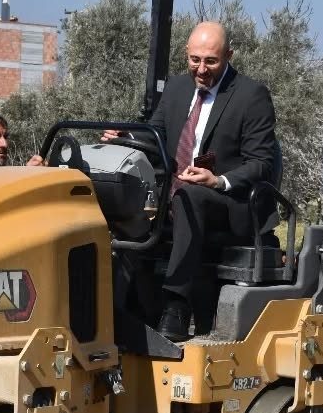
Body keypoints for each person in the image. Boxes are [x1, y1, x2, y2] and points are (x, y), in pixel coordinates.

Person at [105, 21, 278, 341]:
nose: (201, 69)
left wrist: (218, 180)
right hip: (174, 190)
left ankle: (176, 305)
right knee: (118, 193)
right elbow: (156, 135)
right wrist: (126, 137)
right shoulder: (176, 88)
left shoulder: (251, 96)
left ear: (228, 55)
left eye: (210, 61)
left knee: (189, 197)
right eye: (194, 60)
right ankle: (117, 299)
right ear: (186, 55)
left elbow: (261, 164)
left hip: (228, 201)